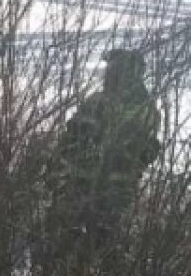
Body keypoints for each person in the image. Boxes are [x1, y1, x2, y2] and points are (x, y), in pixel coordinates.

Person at [55, 48, 161, 249]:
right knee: (73, 238)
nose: (109, 76)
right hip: (84, 181)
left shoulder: (145, 109)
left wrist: (131, 154)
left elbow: (147, 151)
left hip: (114, 187)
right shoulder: (99, 102)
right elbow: (70, 139)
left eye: (114, 71)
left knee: (102, 240)